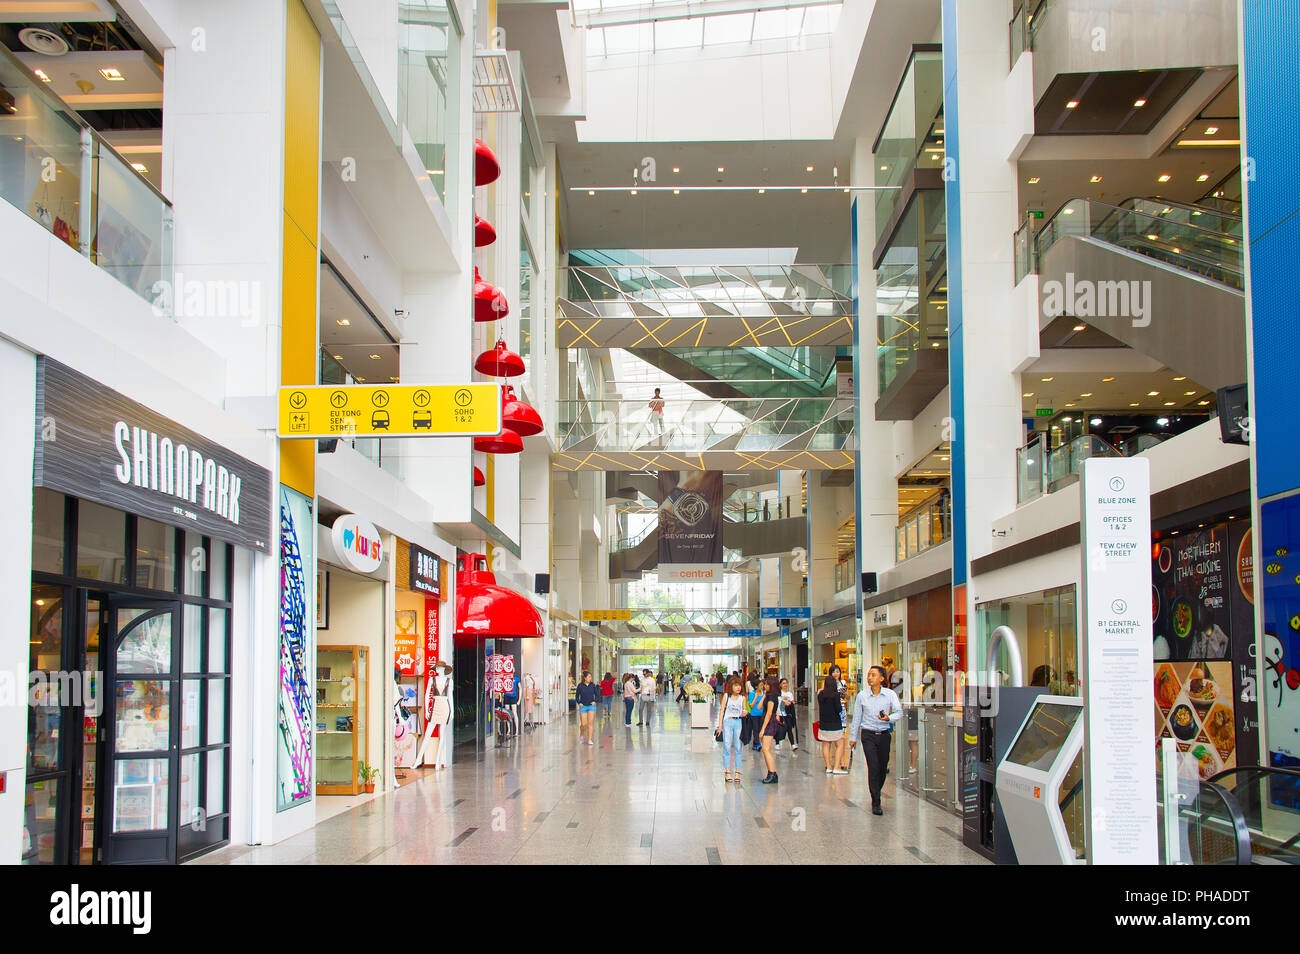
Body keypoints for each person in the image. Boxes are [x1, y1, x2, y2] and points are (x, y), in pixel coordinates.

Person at [849, 665, 902, 815]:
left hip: (884, 734)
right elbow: (857, 718)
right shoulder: (862, 696)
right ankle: (876, 802)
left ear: (882, 678)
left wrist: (889, 718)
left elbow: (899, 712)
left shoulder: (890, 694)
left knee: (882, 767)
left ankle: (875, 790)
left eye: (873, 675)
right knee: (873, 767)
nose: (869, 678)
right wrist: (853, 737)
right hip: (868, 735)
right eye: (869, 675)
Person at [716, 675, 747, 783]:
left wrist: (745, 712)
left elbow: (745, 710)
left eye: (739, 686)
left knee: (738, 747)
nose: (738, 688)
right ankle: (727, 771)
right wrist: (720, 726)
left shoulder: (742, 698)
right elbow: (721, 711)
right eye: (736, 685)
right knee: (727, 746)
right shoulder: (726, 696)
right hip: (728, 722)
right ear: (731, 687)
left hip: (738, 722)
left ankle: (737, 772)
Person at [817, 675, 848, 775]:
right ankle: (836, 767)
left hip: (824, 724)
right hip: (835, 724)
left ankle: (828, 766)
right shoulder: (836, 695)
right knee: (839, 744)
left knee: (826, 745)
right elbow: (838, 709)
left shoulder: (820, 695)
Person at [757, 676, 782, 784]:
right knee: (765, 749)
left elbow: (769, 713)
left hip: (769, 723)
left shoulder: (772, 698)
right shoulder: (769, 696)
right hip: (766, 722)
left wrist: (763, 729)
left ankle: (772, 772)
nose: (765, 686)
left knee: (766, 749)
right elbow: (759, 707)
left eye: (767, 684)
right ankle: (770, 772)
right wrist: (764, 695)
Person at [829, 664, 849, 771]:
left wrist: (845, 693)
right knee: (832, 737)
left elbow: (847, 697)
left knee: (842, 737)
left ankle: (842, 760)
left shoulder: (843, 683)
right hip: (832, 710)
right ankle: (833, 760)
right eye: (834, 672)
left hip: (841, 710)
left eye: (838, 671)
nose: (836, 674)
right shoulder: (828, 684)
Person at [575, 671, 599, 745]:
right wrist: (579, 703)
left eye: (590, 677)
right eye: (589, 677)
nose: (590, 678)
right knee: (584, 724)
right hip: (583, 706)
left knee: (590, 723)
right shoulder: (580, 686)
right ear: (585, 678)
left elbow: (597, 694)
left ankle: (589, 739)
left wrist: (595, 701)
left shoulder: (593, 685)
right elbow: (577, 696)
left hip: (591, 706)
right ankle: (581, 734)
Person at [746, 675, 766, 751]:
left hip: (762, 714)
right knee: (756, 729)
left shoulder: (764, 693)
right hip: (754, 715)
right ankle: (757, 743)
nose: (762, 686)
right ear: (756, 687)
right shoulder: (752, 694)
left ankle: (755, 743)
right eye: (761, 685)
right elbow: (751, 705)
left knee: (761, 729)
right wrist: (756, 696)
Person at [779, 677, 798, 751]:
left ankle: (793, 744)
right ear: (780, 685)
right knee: (780, 729)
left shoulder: (790, 693)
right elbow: (779, 704)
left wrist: (790, 703)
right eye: (783, 683)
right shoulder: (779, 693)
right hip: (781, 714)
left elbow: (792, 703)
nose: (785, 685)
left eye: (786, 683)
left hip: (788, 714)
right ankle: (778, 742)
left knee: (789, 729)